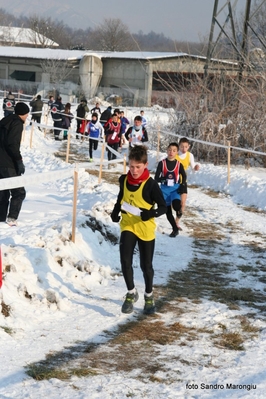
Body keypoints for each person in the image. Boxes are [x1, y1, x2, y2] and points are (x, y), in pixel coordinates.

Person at [110, 145, 167, 315]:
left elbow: (164, 207)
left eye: (138, 167)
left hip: (145, 228)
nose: (134, 171)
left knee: (146, 266)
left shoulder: (151, 185)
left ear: (145, 165)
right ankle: (130, 293)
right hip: (128, 224)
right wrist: (115, 210)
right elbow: (121, 196)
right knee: (125, 260)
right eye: (131, 166)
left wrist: (151, 213)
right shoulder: (124, 180)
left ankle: (149, 296)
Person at [0, 102, 29, 226]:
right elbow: (12, 144)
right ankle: (12, 218)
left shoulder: (4, 121)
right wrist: (19, 161)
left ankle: (1, 220)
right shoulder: (17, 123)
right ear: (23, 114)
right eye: (27, 114)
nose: (27, 116)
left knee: (3, 191)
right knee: (19, 191)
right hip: (8, 163)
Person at [155, 142, 186, 237]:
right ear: (167, 151)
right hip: (164, 190)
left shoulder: (178, 164)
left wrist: (182, 185)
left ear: (177, 152)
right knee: (167, 212)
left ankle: (179, 211)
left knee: (177, 206)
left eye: (174, 150)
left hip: (175, 189)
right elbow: (156, 178)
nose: (171, 152)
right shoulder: (162, 163)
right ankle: (175, 229)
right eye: (169, 150)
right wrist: (164, 179)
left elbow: (183, 176)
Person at [175, 137, 200, 229]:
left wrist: (196, 168)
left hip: (183, 181)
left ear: (188, 147)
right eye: (182, 147)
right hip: (173, 181)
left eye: (186, 147)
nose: (184, 149)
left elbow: (193, 167)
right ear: (179, 146)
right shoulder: (175, 154)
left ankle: (177, 222)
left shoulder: (190, 156)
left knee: (183, 203)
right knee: (172, 203)